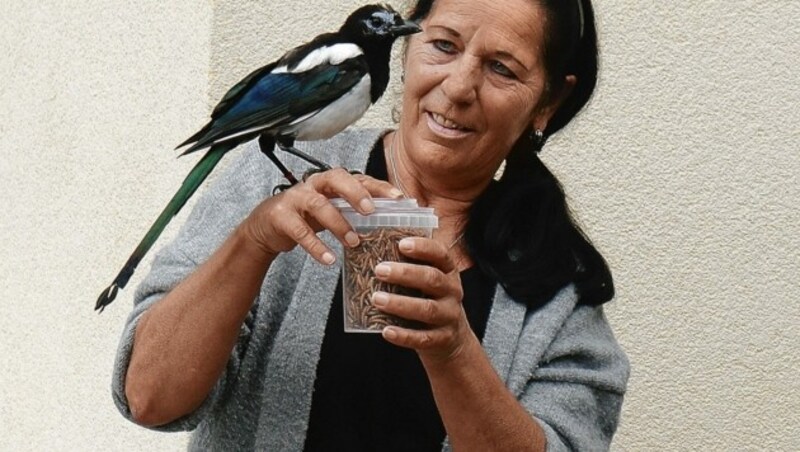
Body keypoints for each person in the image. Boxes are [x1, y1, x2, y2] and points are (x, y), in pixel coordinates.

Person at [111, 0, 630, 450]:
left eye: (502, 68)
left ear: (549, 102)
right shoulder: (272, 179)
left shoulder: (557, 285)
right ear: (407, 47)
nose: (458, 87)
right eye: (444, 46)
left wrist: (453, 348)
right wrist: (254, 242)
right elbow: (149, 396)